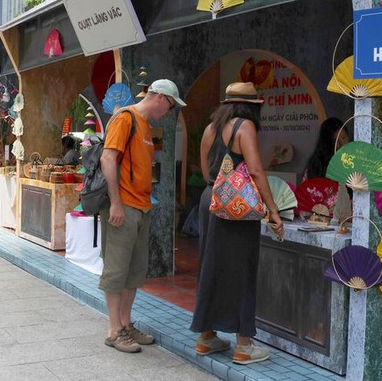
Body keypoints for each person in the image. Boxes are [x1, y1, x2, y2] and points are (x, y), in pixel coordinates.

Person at [191, 81, 284, 365]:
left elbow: (207, 169)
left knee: (211, 265)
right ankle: (244, 345)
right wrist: (273, 210)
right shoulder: (245, 127)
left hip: (211, 199)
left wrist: (217, 190)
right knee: (242, 269)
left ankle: (206, 337)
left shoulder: (210, 129)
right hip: (236, 208)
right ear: (251, 107)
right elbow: (255, 170)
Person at [100, 78, 186, 353]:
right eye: (170, 107)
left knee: (135, 272)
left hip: (141, 207)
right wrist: (115, 203)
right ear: (160, 97)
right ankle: (114, 330)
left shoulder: (146, 127)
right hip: (123, 206)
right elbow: (107, 159)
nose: (169, 113)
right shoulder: (126, 118)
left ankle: (126, 324)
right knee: (116, 269)